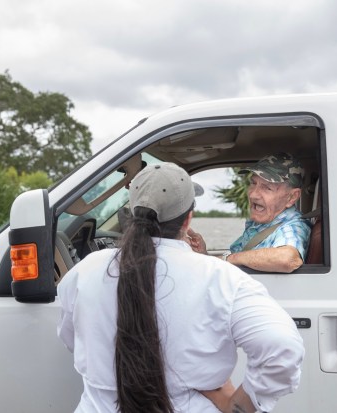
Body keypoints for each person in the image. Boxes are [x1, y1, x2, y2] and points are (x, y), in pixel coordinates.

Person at [57, 162, 304, 412]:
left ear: (132, 212)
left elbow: (71, 337)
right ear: (188, 219)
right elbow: (282, 347)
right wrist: (239, 406)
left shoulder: (84, 271)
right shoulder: (223, 278)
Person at [188, 152, 311, 273]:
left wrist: (229, 259)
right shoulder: (260, 223)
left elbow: (288, 259)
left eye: (267, 188)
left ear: (292, 197)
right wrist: (204, 255)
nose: (252, 194)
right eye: (253, 183)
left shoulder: (293, 226)